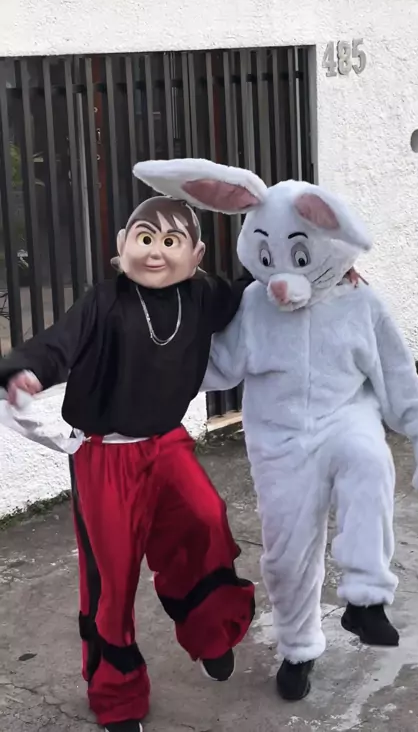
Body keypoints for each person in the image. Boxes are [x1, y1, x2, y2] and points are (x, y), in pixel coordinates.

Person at [131, 157, 418, 704]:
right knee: (286, 556)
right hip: (278, 443)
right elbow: (219, 365)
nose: (283, 276)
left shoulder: (360, 301)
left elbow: (396, 371)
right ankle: (299, 649)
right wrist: (159, 366)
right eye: (270, 258)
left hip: (344, 417)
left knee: (369, 461)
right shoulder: (254, 304)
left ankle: (366, 598)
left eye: (299, 257)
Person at [0, 194, 256, 732]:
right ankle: (116, 694)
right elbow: (57, 344)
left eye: (170, 241)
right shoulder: (104, 300)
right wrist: (26, 372)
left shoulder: (203, 296)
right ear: (123, 245)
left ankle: (210, 633)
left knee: (206, 519)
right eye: (145, 238)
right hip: (104, 456)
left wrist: (321, 275)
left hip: (167, 443)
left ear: (195, 255)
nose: (155, 252)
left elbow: (251, 290)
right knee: (112, 576)